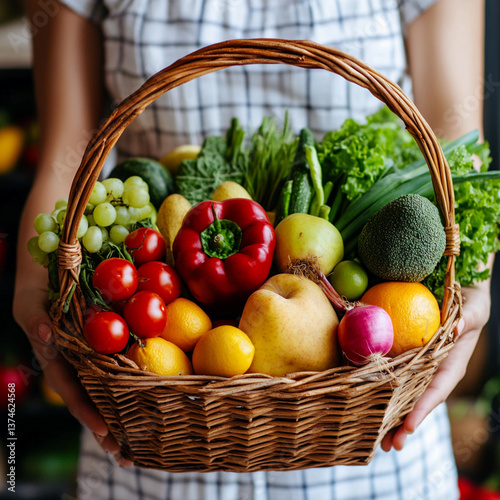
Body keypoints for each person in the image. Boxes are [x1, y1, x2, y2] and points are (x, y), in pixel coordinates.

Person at [13, 0, 490, 498]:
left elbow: (458, 144)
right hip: (158, 432)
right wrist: (36, 291)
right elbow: (67, 158)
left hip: (371, 440)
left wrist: (475, 284)